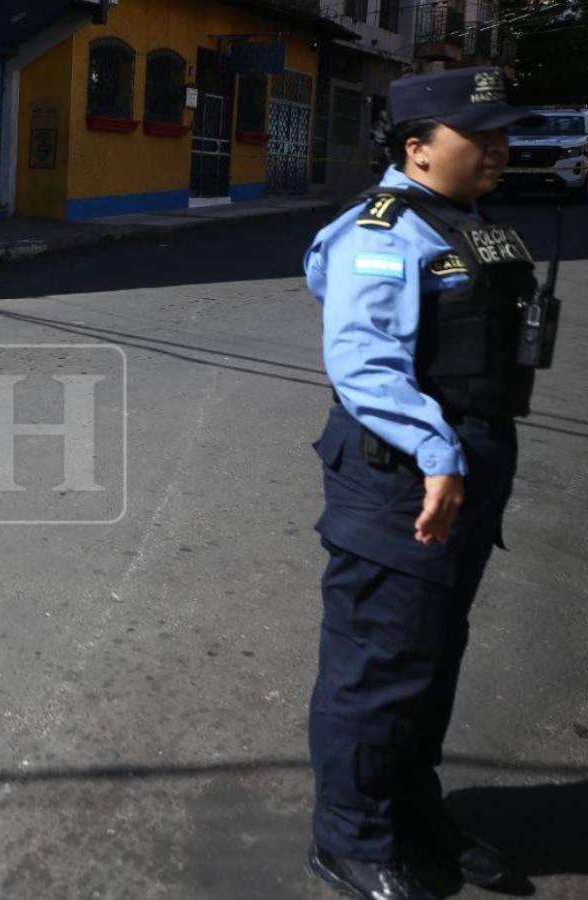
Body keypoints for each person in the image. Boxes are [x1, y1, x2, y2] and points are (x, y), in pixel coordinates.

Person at [303, 67, 552, 900]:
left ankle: (414, 816)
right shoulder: (381, 231)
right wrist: (438, 455)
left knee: (433, 656)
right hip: (403, 478)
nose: (498, 148)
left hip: (467, 470)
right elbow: (364, 365)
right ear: (417, 149)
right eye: (477, 136)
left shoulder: (469, 224)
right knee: (378, 663)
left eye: (502, 133)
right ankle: (350, 838)